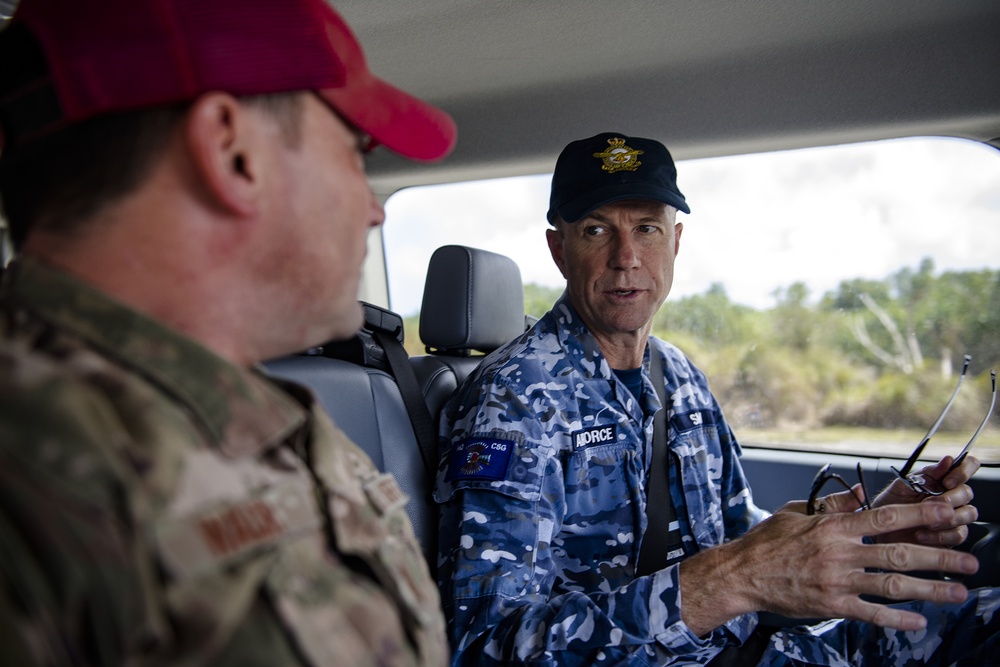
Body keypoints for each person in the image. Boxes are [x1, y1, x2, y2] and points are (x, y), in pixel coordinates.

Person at [0, 0, 456, 665]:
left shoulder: (266, 417)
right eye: (357, 154)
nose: (375, 209)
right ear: (233, 152)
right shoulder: (32, 482)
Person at [434, 132, 999, 666]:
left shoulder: (678, 375)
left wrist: (864, 532)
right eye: (597, 231)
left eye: (648, 229)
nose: (626, 257)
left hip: (754, 643)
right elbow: (488, 644)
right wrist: (737, 577)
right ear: (560, 250)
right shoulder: (514, 402)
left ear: (675, 242)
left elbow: (734, 531)